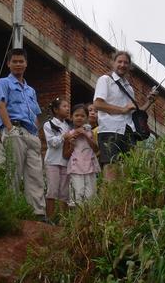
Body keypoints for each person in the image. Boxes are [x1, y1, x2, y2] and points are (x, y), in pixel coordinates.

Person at [0, 48, 45, 218]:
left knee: (36, 175)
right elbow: (1, 105)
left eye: (21, 61)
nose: (18, 64)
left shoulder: (30, 91)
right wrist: (10, 129)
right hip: (14, 130)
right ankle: (12, 210)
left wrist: (36, 134)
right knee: (14, 172)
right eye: (14, 61)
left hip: (31, 134)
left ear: (26, 64)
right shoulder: (3, 83)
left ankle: (37, 213)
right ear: (8, 64)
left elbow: (36, 114)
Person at [93, 50, 156, 181]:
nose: (122, 65)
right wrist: (122, 110)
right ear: (113, 63)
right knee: (111, 171)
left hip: (128, 132)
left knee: (126, 173)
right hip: (110, 130)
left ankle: (120, 201)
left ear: (129, 66)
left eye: (126, 63)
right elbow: (98, 104)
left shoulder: (129, 88)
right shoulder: (105, 80)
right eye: (119, 62)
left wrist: (149, 101)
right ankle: (109, 201)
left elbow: (134, 113)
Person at [64, 103, 100, 204]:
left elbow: (96, 149)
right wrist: (71, 146)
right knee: (77, 195)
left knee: (91, 196)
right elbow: (65, 155)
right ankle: (76, 219)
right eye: (76, 115)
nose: (79, 118)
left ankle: (88, 218)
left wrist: (85, 135)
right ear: (71, 117)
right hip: (76, 168)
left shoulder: (90, 133)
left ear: (87, 118)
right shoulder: (69, 135)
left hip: (90, 167)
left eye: (83, 116)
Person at [43, 97, 71, 222]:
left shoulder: (68, 125)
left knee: (64, 192)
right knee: (52, 190)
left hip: (65, 162)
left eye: (68, 106)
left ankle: (62, 220)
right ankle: (49, 219)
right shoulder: (48, 124)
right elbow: (52, 143)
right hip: (53, 162)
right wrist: (63, 137)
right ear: (55, 109)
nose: (67, 109)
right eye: (64, 106)